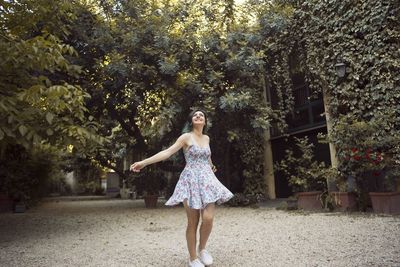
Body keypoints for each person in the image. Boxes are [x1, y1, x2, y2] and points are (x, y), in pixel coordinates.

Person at [130, 109, 234, 267]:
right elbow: (167, 152)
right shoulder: (186, 137)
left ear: (205, 121)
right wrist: (144, 163)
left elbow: (208, 157)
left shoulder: (207, 138)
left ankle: (202, 249)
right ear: (191, 121)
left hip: (207, 181)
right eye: (195, 115)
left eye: (201, 115)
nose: (198, 116)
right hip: (190, 181)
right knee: (193, 221)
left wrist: (212, 167)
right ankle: (193, 258)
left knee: (208, 218)